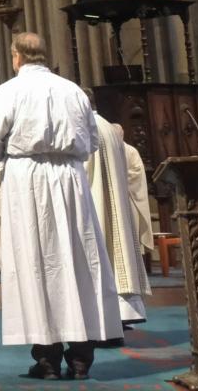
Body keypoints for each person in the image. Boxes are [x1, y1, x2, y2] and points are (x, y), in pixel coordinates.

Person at [0, 33, 120, 381]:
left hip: (27, 180)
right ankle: (81, 357)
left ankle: (47, 359)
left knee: (36, 263)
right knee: (77, 261)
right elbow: (90, 140)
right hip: (70, 179)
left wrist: (9, 155)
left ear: (16, 57)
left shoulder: (6, 92)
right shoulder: (72, 90)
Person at [86, 115, 151, 328]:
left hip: (94, 201)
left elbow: (83, 170)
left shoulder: (86, 128)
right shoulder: (107, 128)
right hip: (116, 202)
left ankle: (105, 318)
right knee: (119, 250)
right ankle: (125, 313)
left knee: (100, 253)